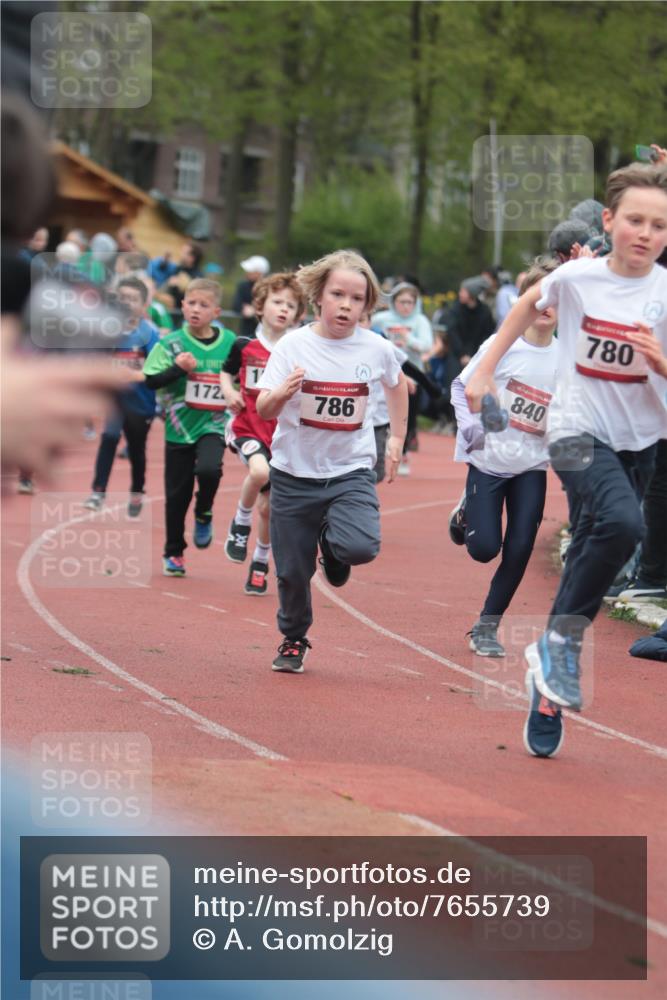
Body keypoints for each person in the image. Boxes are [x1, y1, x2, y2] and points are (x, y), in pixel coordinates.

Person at [464, 162, 667, 758]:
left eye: (659, 224)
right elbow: (530, 299)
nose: (645, 232)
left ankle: (551, 673)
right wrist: (482, 367)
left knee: (591, 545)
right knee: (625, 525)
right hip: (575, 431)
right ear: (609, 221)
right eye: (634, 219)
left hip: (641, 441)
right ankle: (561, 650)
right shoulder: (578, 278)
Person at [256, 249, 408, 673]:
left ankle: (336, 550)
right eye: (337, 294)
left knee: (360, 546)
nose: (346, 305)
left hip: (350, 471)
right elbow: (265, 410)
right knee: (291, 571)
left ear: (367, 305)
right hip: (292, 473)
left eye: (356, 298)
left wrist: (396, 436)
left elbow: (398, 387)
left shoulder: (376, 348)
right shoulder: (293, 345)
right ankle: (293, 637)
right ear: (318, 296)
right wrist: (282, 395)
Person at [449, 258, 559, 695]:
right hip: (490, 462)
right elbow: (461, 387)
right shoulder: (502, 345)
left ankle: (486, 626)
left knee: (519, 548)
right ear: (523, 300)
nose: (547, 304)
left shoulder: (567, 356)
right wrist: (471, 428)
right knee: (483, 549)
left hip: (532, 465)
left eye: (556, 297)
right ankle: (465, 515)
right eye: (539, 295)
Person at [142, 278, 236, 576]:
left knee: (209, 470)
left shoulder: (230, 342)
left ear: (216, 312)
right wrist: (178, 369)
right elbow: (151, 381)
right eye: (191, 303)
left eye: (204, 305)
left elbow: (243, 374)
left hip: (214, 423)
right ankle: (174, 553)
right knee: (176, 494)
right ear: (182, 306)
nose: (196, 309)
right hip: (179, 427)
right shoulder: (171, 344)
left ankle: (204, 510)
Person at [221, 272, 305, 594]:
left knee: (270, 508)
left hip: (280, 436)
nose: (283, 309)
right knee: (259, 470)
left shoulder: (297, 350)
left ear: (298, 314)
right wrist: (229, 392)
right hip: (247, 427)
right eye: (277, 302)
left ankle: (259, 562)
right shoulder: (244, 345)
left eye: (291, 305)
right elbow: (225, 373)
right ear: (260, 306)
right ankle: (240, 523)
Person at [83, 277, 159, 517]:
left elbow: (157, 367)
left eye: (132, 299)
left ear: (144, 305)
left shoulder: (148, 333)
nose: (126, 303)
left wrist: (135, 373)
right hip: (116, 400)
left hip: (141, 402)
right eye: (122, 298)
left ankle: (137, 490)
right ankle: (98, 491)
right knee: (109, 435)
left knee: (136, 451)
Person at [372, 282, 433, 472]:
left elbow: (426, 345)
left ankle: (404, 452)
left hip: (411, 372)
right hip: (385, 371)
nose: (406, 306)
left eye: (410, 302)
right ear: (394, 302)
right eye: (401, 301)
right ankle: (379, 446)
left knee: (408, 414)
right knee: (382, 411)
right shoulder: (381, 319)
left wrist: (409, 340)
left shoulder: (420, 321)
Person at [445, 277, 496, 366]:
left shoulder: (485, 312)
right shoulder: (456, 310)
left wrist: (475, 355)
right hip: (457, 356)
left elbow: (487, 334)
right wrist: (462, 354)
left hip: (478, 355)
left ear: (472, 294)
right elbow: (452, 333)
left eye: (463, 291)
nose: (460, 294)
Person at [232, 255, 270, 338]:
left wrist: (255, 310)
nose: (247, 272)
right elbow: (236, 305)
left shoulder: (270, 287)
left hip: (266, 332)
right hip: (246, 331)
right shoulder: (243, 285)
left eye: (251, 271)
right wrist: (244, 309)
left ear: (259, 273)